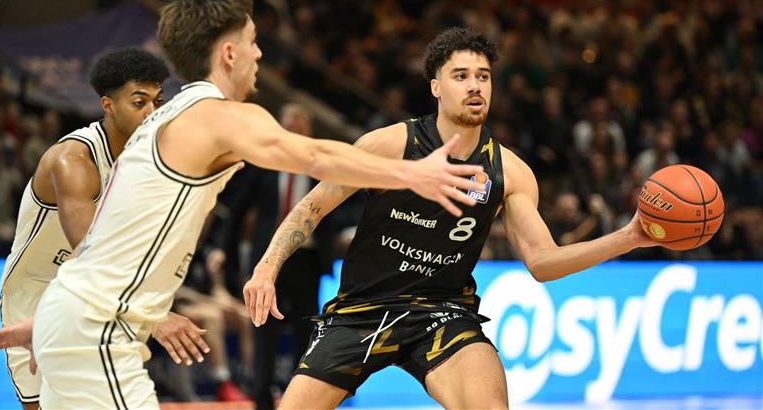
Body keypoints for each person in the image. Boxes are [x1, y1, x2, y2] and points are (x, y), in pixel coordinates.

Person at [14, 0, 483, 410]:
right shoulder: (219, 117)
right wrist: (414, 174)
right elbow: (314, 156)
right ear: (229, 53)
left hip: (74, 314)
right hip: (98, 329)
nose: (259, 54)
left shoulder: (166, 116)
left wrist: (58, 314)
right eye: (253, 41)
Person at [243, 27, 658, 410]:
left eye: (483, 76)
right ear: (436, 87)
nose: (475, 85)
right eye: (461, 76)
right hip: (362, 309)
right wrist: (266, 267)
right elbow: (311, 208)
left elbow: (543, 262)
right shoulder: (388, 144)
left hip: (441, 312)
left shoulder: (509, 173)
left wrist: (628, 237)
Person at [0, 48, 210, 410]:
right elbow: (90, 256)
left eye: (157, 101)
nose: (151, 112)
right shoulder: (73, 160)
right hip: (35, 294)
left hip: (98, 299)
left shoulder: (145, 163)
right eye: (138, 101)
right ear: (108, 104)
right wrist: (156, 316)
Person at [218, 102, 341, 409]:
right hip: (267, 261)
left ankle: (300, 400)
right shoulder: (264, 163)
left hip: (306, 261)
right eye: (288, 125)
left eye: (298, 126)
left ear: (308, 131)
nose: (293, 130)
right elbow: (238, 210)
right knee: (263, 330)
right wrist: (223, 247)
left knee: (306, 331)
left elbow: (336, 211)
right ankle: (261, 398)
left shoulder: (321, 165)